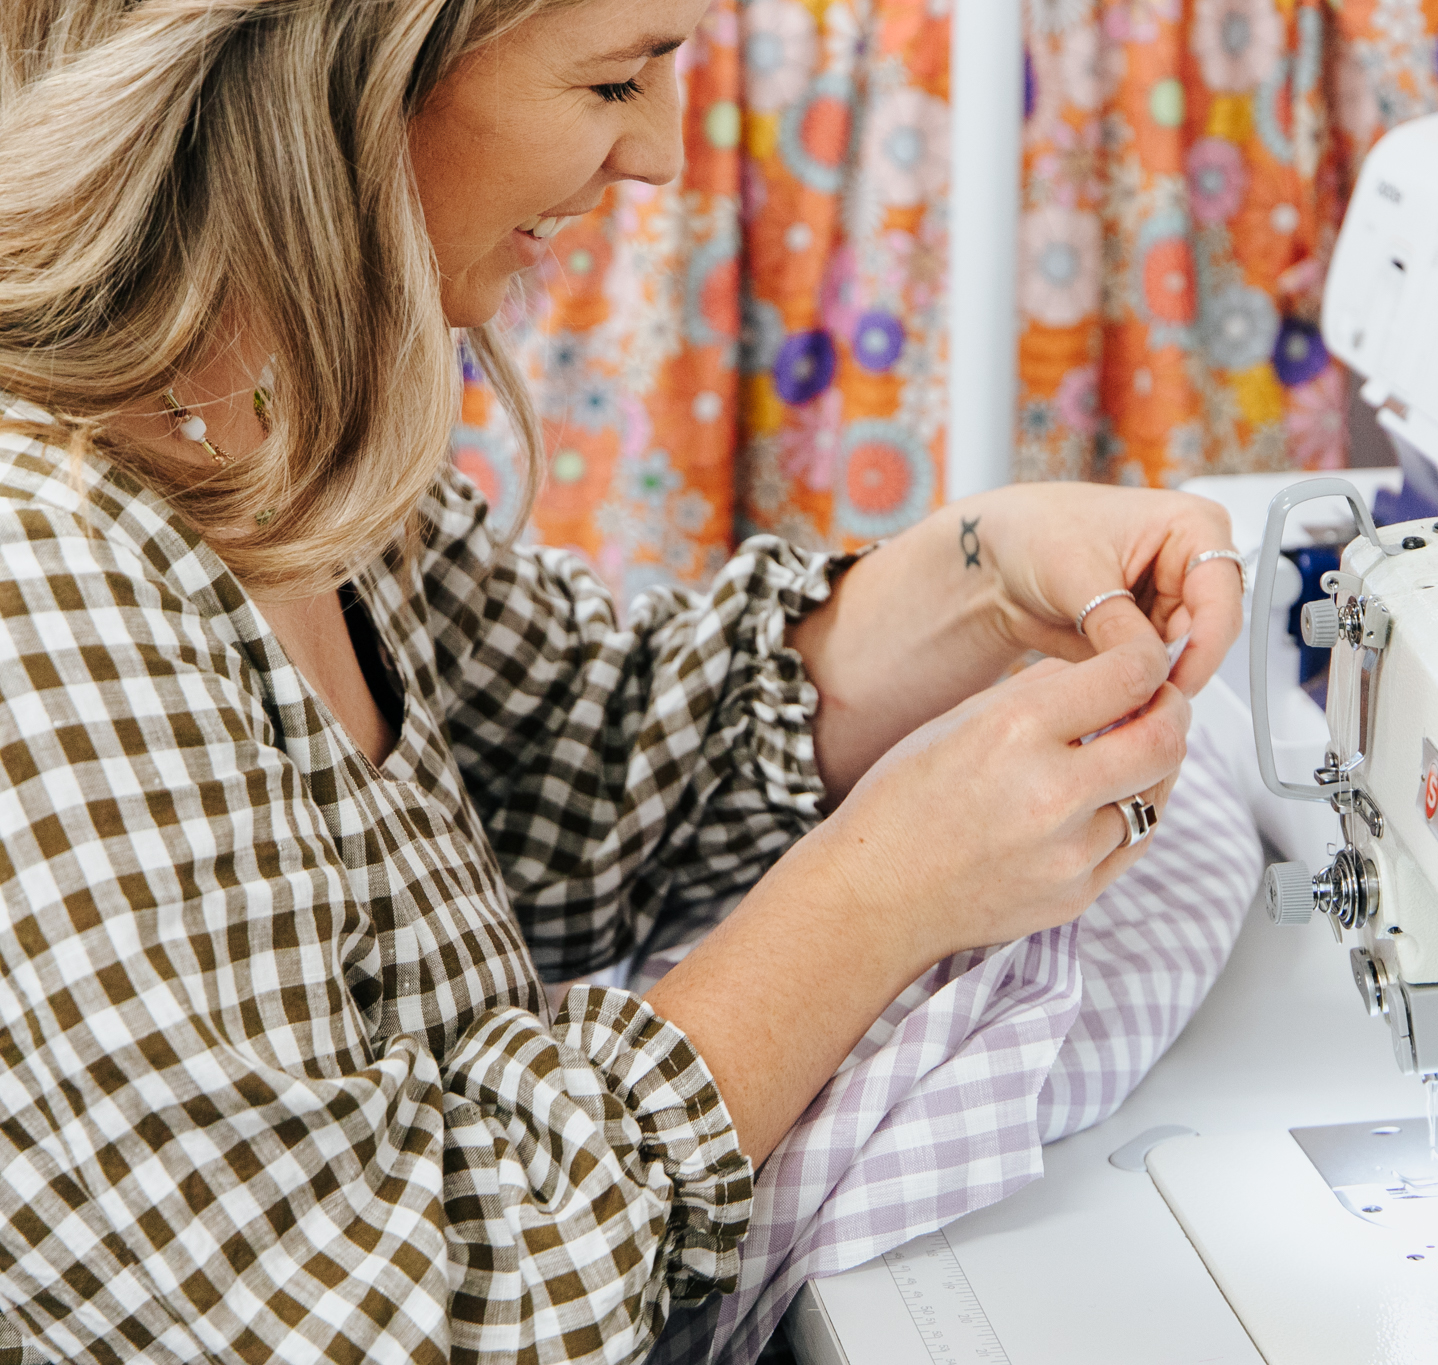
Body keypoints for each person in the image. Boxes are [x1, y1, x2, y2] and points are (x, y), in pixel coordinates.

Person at [0, 0, 1246, 1359]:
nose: (660, 154)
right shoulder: (44, 579)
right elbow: (396, 1316)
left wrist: (982, 569)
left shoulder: (267, 405)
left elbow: (580, 765)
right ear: (332, 72)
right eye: (613, 83)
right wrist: (884, 893)